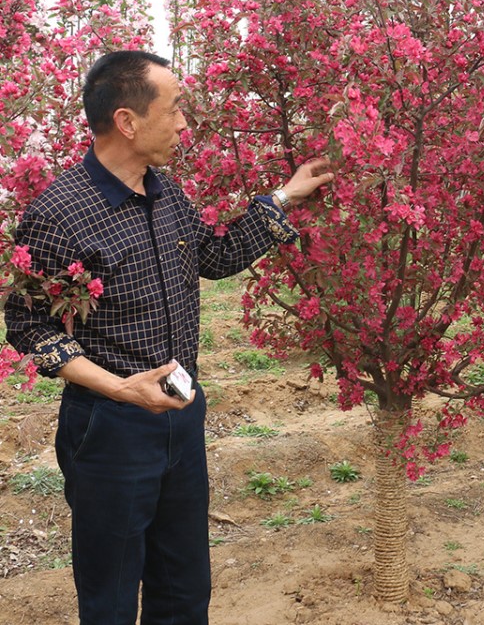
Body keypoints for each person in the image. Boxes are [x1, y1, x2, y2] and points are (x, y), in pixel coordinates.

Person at [3, 50, 333, 625]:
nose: (184, 124)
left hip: (182, 407)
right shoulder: (59, 213)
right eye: (175, 108)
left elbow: (216, 254)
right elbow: (29, 324)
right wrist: (123, 390)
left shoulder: (166, 192)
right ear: (128, 121)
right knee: (108, 595)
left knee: (183, 587)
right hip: (111, 426)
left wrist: (284, 197)